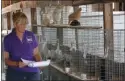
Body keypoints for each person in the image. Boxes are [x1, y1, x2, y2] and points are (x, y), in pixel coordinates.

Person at [3, 12, 42, 81]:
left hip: (32, 71)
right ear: (15, 24)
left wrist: (40, 62)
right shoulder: (8, 39)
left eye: (25, 23)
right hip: (15, 71)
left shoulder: (31, 35)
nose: (24, 26)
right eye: (21, 24)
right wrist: (17, 64)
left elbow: (36, 54)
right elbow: (6, 60)